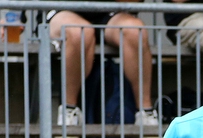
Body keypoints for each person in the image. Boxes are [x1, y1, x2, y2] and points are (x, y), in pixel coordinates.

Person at [47, 2, 159, 130]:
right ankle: (69, 110)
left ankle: (145, 112)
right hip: (60, 10)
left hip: (110, 11)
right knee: (78, 32)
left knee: (135, 31)